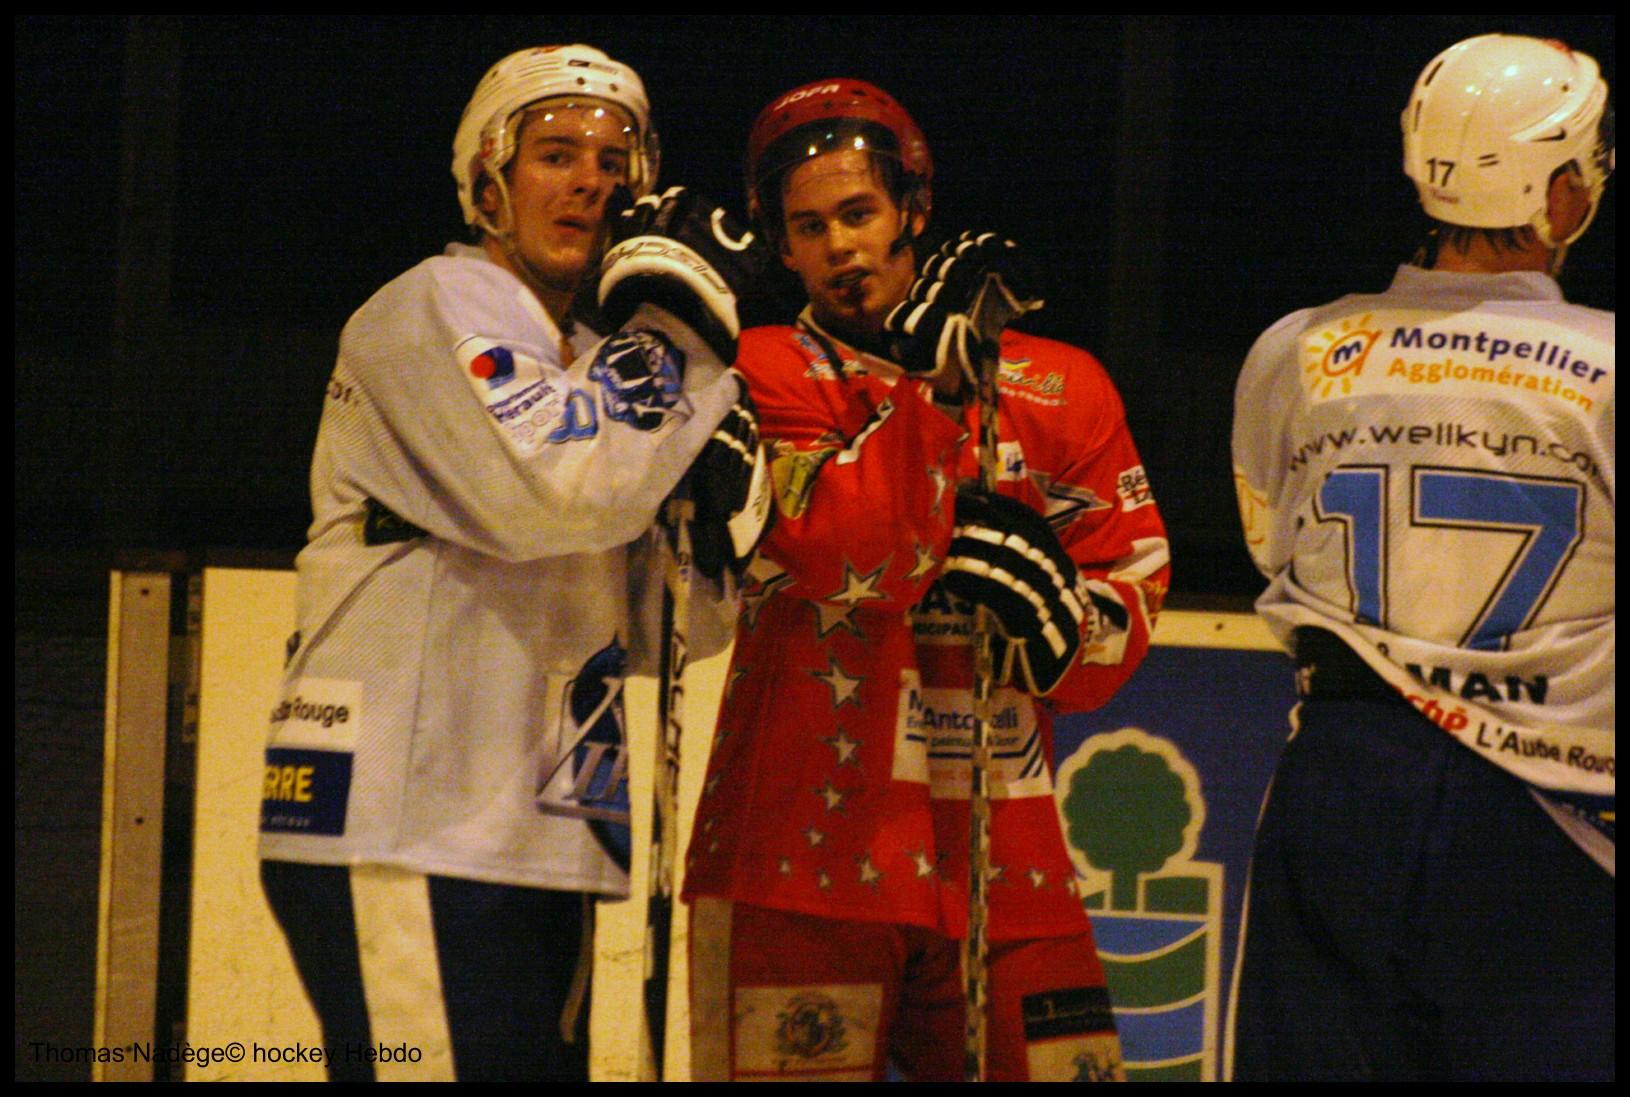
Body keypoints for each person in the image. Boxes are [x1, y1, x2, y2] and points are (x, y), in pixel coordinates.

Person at [257, 44, 769, 1081]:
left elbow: (662, 632)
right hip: (407, 821)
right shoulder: (433, 302)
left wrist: (720, 543)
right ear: (487, 181)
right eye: (556, 154)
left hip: (538, 835)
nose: (591, 181)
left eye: (615, 161)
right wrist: (678, 336)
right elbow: (555, 491)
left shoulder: (590, 359)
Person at [681, 79, 1171, 1082]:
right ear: (781, 246)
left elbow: (1129, 589)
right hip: (798, 862)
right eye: (809, 226)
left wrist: (1066, 628)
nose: (840, 246)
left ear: (914, 208)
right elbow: (854, 551)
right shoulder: (753, 372)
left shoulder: (1060, 384)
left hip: (1010, 869)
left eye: (859, 212)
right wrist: (937, 390)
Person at [1230, 33, 1614, 1082]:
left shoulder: (1294, 349)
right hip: (1550, 805)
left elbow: (1269, 537)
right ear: (1562, 193)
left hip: (1341, 777)